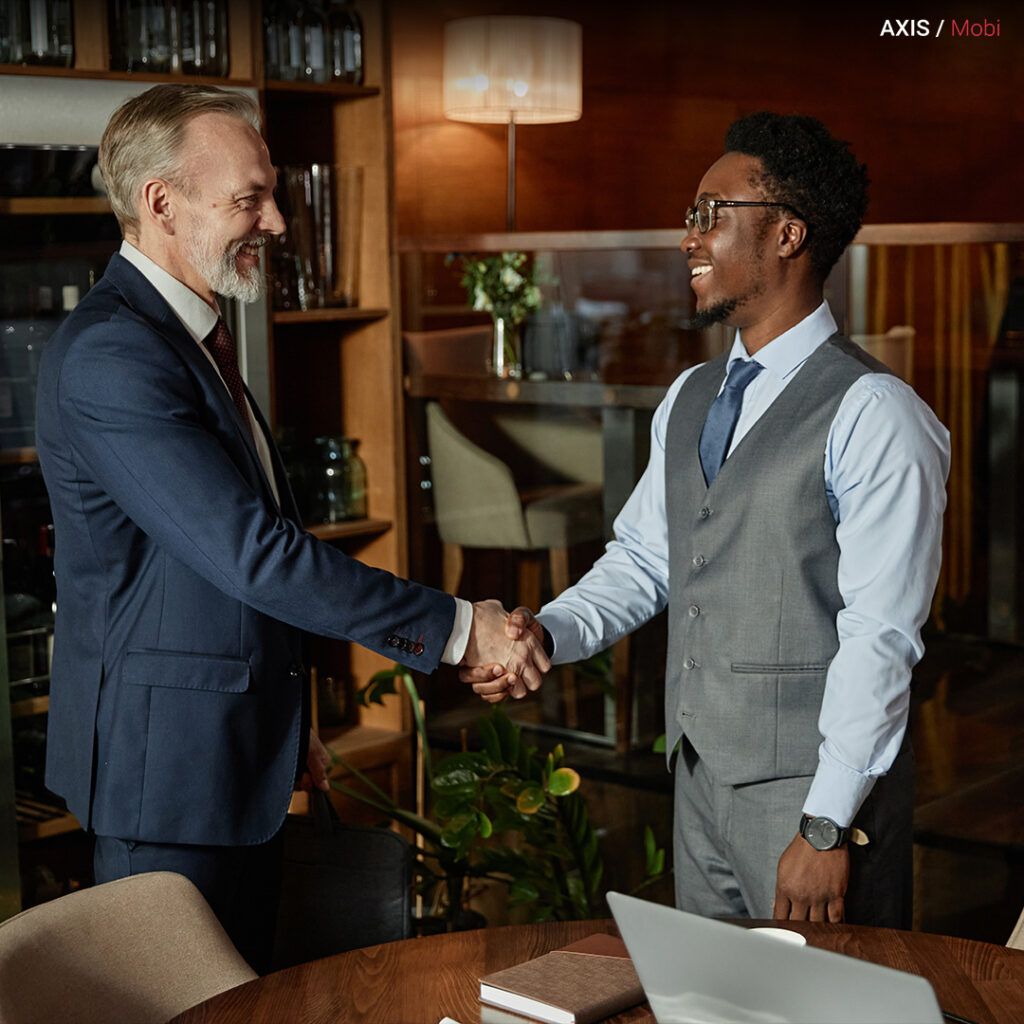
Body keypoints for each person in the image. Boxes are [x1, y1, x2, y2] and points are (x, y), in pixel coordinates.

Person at [34, 83, 547, 972]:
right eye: (250, 199)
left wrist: (284, 717)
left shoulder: (188, 337)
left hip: (232, 754)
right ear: (162, 202)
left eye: (270, 195)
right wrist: (463, 630)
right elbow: (256, 557)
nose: (274, 222)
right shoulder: (115, 354)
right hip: (170, 782)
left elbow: (212, 569)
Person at [462, 111, 950, 928]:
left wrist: (826, 822)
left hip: (813, 800)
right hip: (697, 783)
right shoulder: (690, 396)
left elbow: (884, 636)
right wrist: (549, 631)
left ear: (788, 234)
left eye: (710, 214)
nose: (688, 237)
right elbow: (647, 558)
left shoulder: (877, 413)